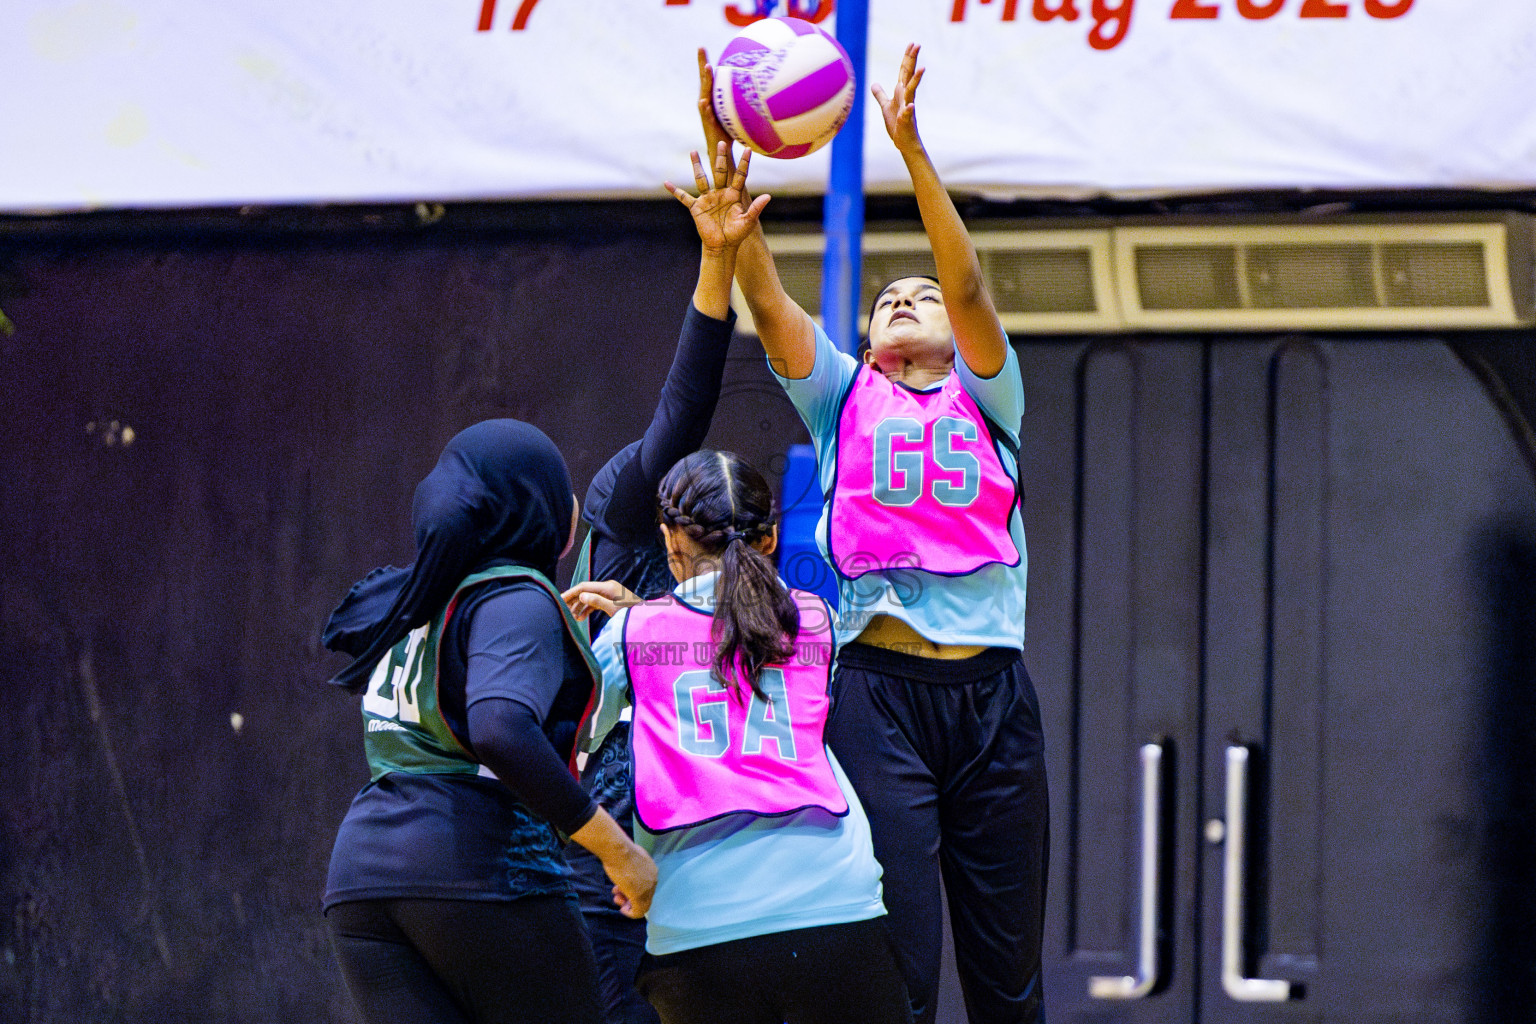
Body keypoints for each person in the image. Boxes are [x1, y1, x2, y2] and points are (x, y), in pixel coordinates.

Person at [697, 44, 1049, 1024]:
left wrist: (913, 153)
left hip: (991, 697)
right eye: (888, 298)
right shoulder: (843, 397)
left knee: (1009, 979)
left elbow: (969, 288)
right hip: (879, 697)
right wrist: (737, 221)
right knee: (901, 973)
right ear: (867, 338)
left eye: (919, 295)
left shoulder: (991, 396)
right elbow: (771, 307)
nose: (905, 299)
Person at [318, 419, 658, 1024]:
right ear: (534, 503)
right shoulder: (516, 596)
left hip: (362, 878)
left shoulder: (416, 596)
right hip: (476, 863)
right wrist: (619, 851)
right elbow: (500, 730)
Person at [565, 448, 912, 1024]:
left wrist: (631, 625)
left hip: (699, 927)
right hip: (838, 910)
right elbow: (729, 645)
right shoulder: (817, 620)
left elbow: (575, 742)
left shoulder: (633, 633)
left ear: (669, 542)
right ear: (770, 537)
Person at [562, 135, 762, 1024]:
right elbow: (684, 407)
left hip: (716, 829)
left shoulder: (750, 603)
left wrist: (722, 259)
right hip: (621, 825)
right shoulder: (624, 510)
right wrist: (718, 262)